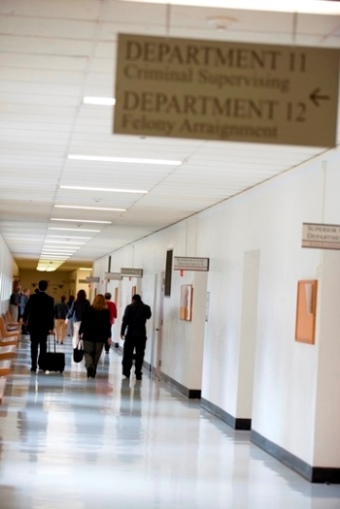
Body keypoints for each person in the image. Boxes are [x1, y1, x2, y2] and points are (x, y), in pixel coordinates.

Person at [22, 280, 54, 372]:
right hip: (44, 327)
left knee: (34, 345)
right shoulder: (49, 299)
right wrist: (51, 328)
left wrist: (24, 320)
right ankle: (42, 364)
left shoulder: (32, 298)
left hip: (34, 325)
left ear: (39, 286)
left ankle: (33, 365)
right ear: (46, 287)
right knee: (43, 346)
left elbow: (27, 310)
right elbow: (51, 315)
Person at [79, 294, 112, 379]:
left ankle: (90, 366)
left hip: (88, 335)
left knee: (87, 352)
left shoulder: (88, 309)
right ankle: (93, 371)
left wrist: (80, 332)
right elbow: (107, 325)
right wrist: (108, 336)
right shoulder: (106, 311)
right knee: (97, 354)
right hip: (100, 337)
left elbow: (84, 322)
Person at [120, 294, 152, 380]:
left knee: (128, 354)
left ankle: (126, 372)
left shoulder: (129, 307)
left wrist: (122, 332)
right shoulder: (146, 308)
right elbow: (149, 316)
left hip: (130, 333)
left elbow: (125, 320)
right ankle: (138, 372)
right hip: (141, 334)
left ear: (133, 300)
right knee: (140, 354)